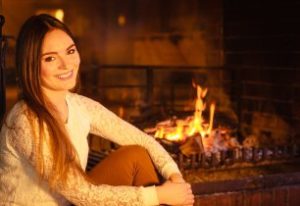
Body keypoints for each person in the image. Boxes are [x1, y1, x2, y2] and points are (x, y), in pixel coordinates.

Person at [0, 14, 194, 205]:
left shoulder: (79, 106)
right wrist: (159, 195)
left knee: (137, 155)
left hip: (71, 202)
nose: (66, 64)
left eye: (70, 51)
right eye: (50, 58)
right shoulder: (25, 121)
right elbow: (84, 195)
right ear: (31, 65)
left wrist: (175, 177)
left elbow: (142, 140)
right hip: (74, 199)